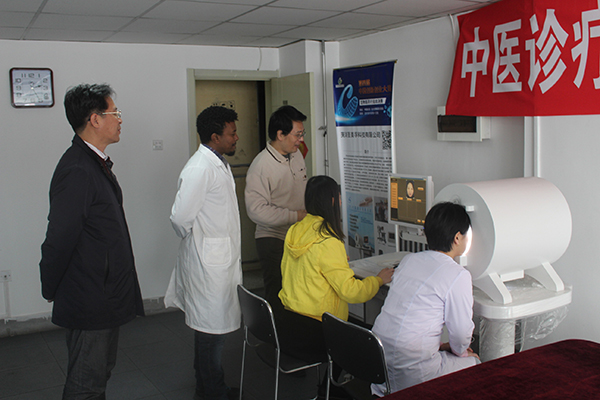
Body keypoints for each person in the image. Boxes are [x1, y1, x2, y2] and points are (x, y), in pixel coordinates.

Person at [39, 83, 144, 399]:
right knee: (86, 383)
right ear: (95, 119)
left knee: (98, 374)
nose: (120, 119)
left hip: (102, 293)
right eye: (115, 113)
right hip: (90, 296)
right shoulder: (78, 169)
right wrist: (50, 287)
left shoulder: (93, 162)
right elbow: (59, 238)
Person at [278, 175, 394, 397]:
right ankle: (332, 391)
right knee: (368, 337)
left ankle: (329, 387)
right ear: (332, 201)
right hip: (317, 332)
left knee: (352, 329)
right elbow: (351, 292)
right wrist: (379, 280)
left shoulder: (296, 230)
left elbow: (306, 269)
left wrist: (337, 262)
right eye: (339, 197)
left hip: (291, 324)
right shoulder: (328, 240)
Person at [165, 106, 242, 400]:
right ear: (214, 137)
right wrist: (201, 241)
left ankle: (206, 387)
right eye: (232, 133)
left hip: (216, 260)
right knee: (211, 333)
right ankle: (213, 392)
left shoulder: (217, 163)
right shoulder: (199, 168)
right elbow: (179, 218)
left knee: (209, 331)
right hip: (209, 263)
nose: (236, 137)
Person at [371, 202, 480, 396]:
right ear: (457, 238)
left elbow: (410, 322)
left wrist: (443, 347)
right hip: (413, 373)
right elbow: (461, 334)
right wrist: (461, 351)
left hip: (378, 359)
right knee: (474, 363)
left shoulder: (409, 260)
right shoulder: (458, 275)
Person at [245, 105, 308, 315]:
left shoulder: (297, 155)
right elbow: (256, 210)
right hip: (273, 238)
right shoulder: (261, 166)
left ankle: (294, 332)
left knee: (299, 291)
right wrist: (295, 215)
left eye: (302, 134)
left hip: (298, 235)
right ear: (280, 134)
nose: (301, 140)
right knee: (278, 294)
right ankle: (276, 334)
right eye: (297, 135)